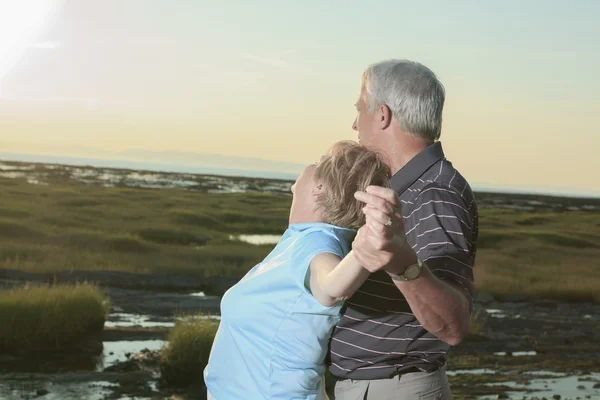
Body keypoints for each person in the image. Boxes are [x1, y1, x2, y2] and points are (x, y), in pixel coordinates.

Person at [329, 60, 479, 400]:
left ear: (382, 115)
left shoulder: (435, 192)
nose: (355, 124)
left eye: (359, 111)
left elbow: (452, 326)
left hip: (393, 388)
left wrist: (400, 263)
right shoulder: (409, 188)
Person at [203, 140, 391, 400]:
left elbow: (330, 289)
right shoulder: (301, 239)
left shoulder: (317, 241)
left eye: (319, 160)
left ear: (319, 187)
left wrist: (367, 246)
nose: (310, 164)